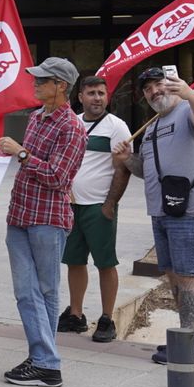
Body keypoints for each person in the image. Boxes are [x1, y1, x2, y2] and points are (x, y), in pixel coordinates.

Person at [115, 66, 194, 364]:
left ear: (171, 85)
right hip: (162, 210)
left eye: (159, 85)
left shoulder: (188, 111)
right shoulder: (152, 127)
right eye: (148, 89)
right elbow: (144, 170)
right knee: (174, 274)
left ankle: (187, 343)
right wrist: (126, 160)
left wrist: (189, 93)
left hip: (191, 210)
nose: (154, 92)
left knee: (189, 277)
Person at [0, 57, 85, 387]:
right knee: (29, 291)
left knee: (43, 291)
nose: (35, 84)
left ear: (61, 86)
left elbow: (59, 178)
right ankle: (45, 360)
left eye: (42, 80)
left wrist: (21, 154)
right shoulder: (36, 118)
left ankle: (45, 361)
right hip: (21, 214)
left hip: (48, 218)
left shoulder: (72, 127)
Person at [56, 76, 131, 344]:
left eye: (101, 93)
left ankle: (106, 318)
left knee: (105, 263)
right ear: (80, 97)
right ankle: (76, 314)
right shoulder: (72, 123)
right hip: (70, 205)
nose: (97, 98)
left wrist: (110, 204)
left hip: (99, 207)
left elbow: (122, 170)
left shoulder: (117, 127)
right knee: (74, 261)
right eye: (91, 93)